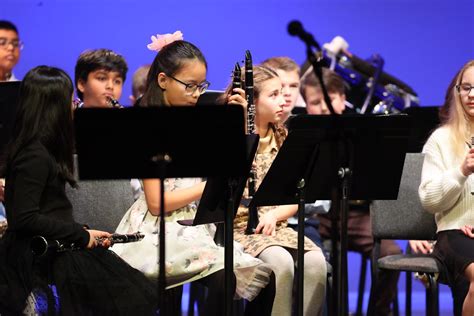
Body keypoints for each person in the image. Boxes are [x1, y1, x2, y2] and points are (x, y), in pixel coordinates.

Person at [111, 32, 275, 316]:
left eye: (201, 86)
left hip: (195, 226)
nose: (197, 94)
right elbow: (156, 203)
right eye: (189, 86)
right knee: (224, 280)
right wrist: (209, 186)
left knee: (264, 278)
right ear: (163, 81)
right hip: (156, 231)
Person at [0, 65, 157, 315]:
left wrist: (83, 231)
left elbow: (50, 210)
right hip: (40, 254)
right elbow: (24, 218)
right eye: (68, 99)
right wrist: (80, 236)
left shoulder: (42, 150)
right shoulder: (33, 155)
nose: (73, 105)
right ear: (52, 107)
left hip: (58, 243)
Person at [300, 68, 401, 316]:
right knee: (321, 259)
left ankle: (378, 312)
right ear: (305, 104)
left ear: (342, 97)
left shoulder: (362, 130)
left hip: (360, 216)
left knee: (391, 253)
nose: (323, 106)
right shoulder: (300, 132)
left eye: (330, 98)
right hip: (319, 218)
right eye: (315, 102)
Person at [231, 64, 327, 316]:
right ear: (253, 102)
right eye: (273, 95)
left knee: (317, 262)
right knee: (281, 263)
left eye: (283, 92)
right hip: (240, 230)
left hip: (277, 228)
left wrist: (275, 215)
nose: (283, 100)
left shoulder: (284, 137)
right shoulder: (233, 138)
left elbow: (298, 193)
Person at [419, 60, 474, 316]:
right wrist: (461, 172)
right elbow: (429, 200)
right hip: (453, 233)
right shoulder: (440, 139)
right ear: (457, 92)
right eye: (466, 88)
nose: (471, 94)